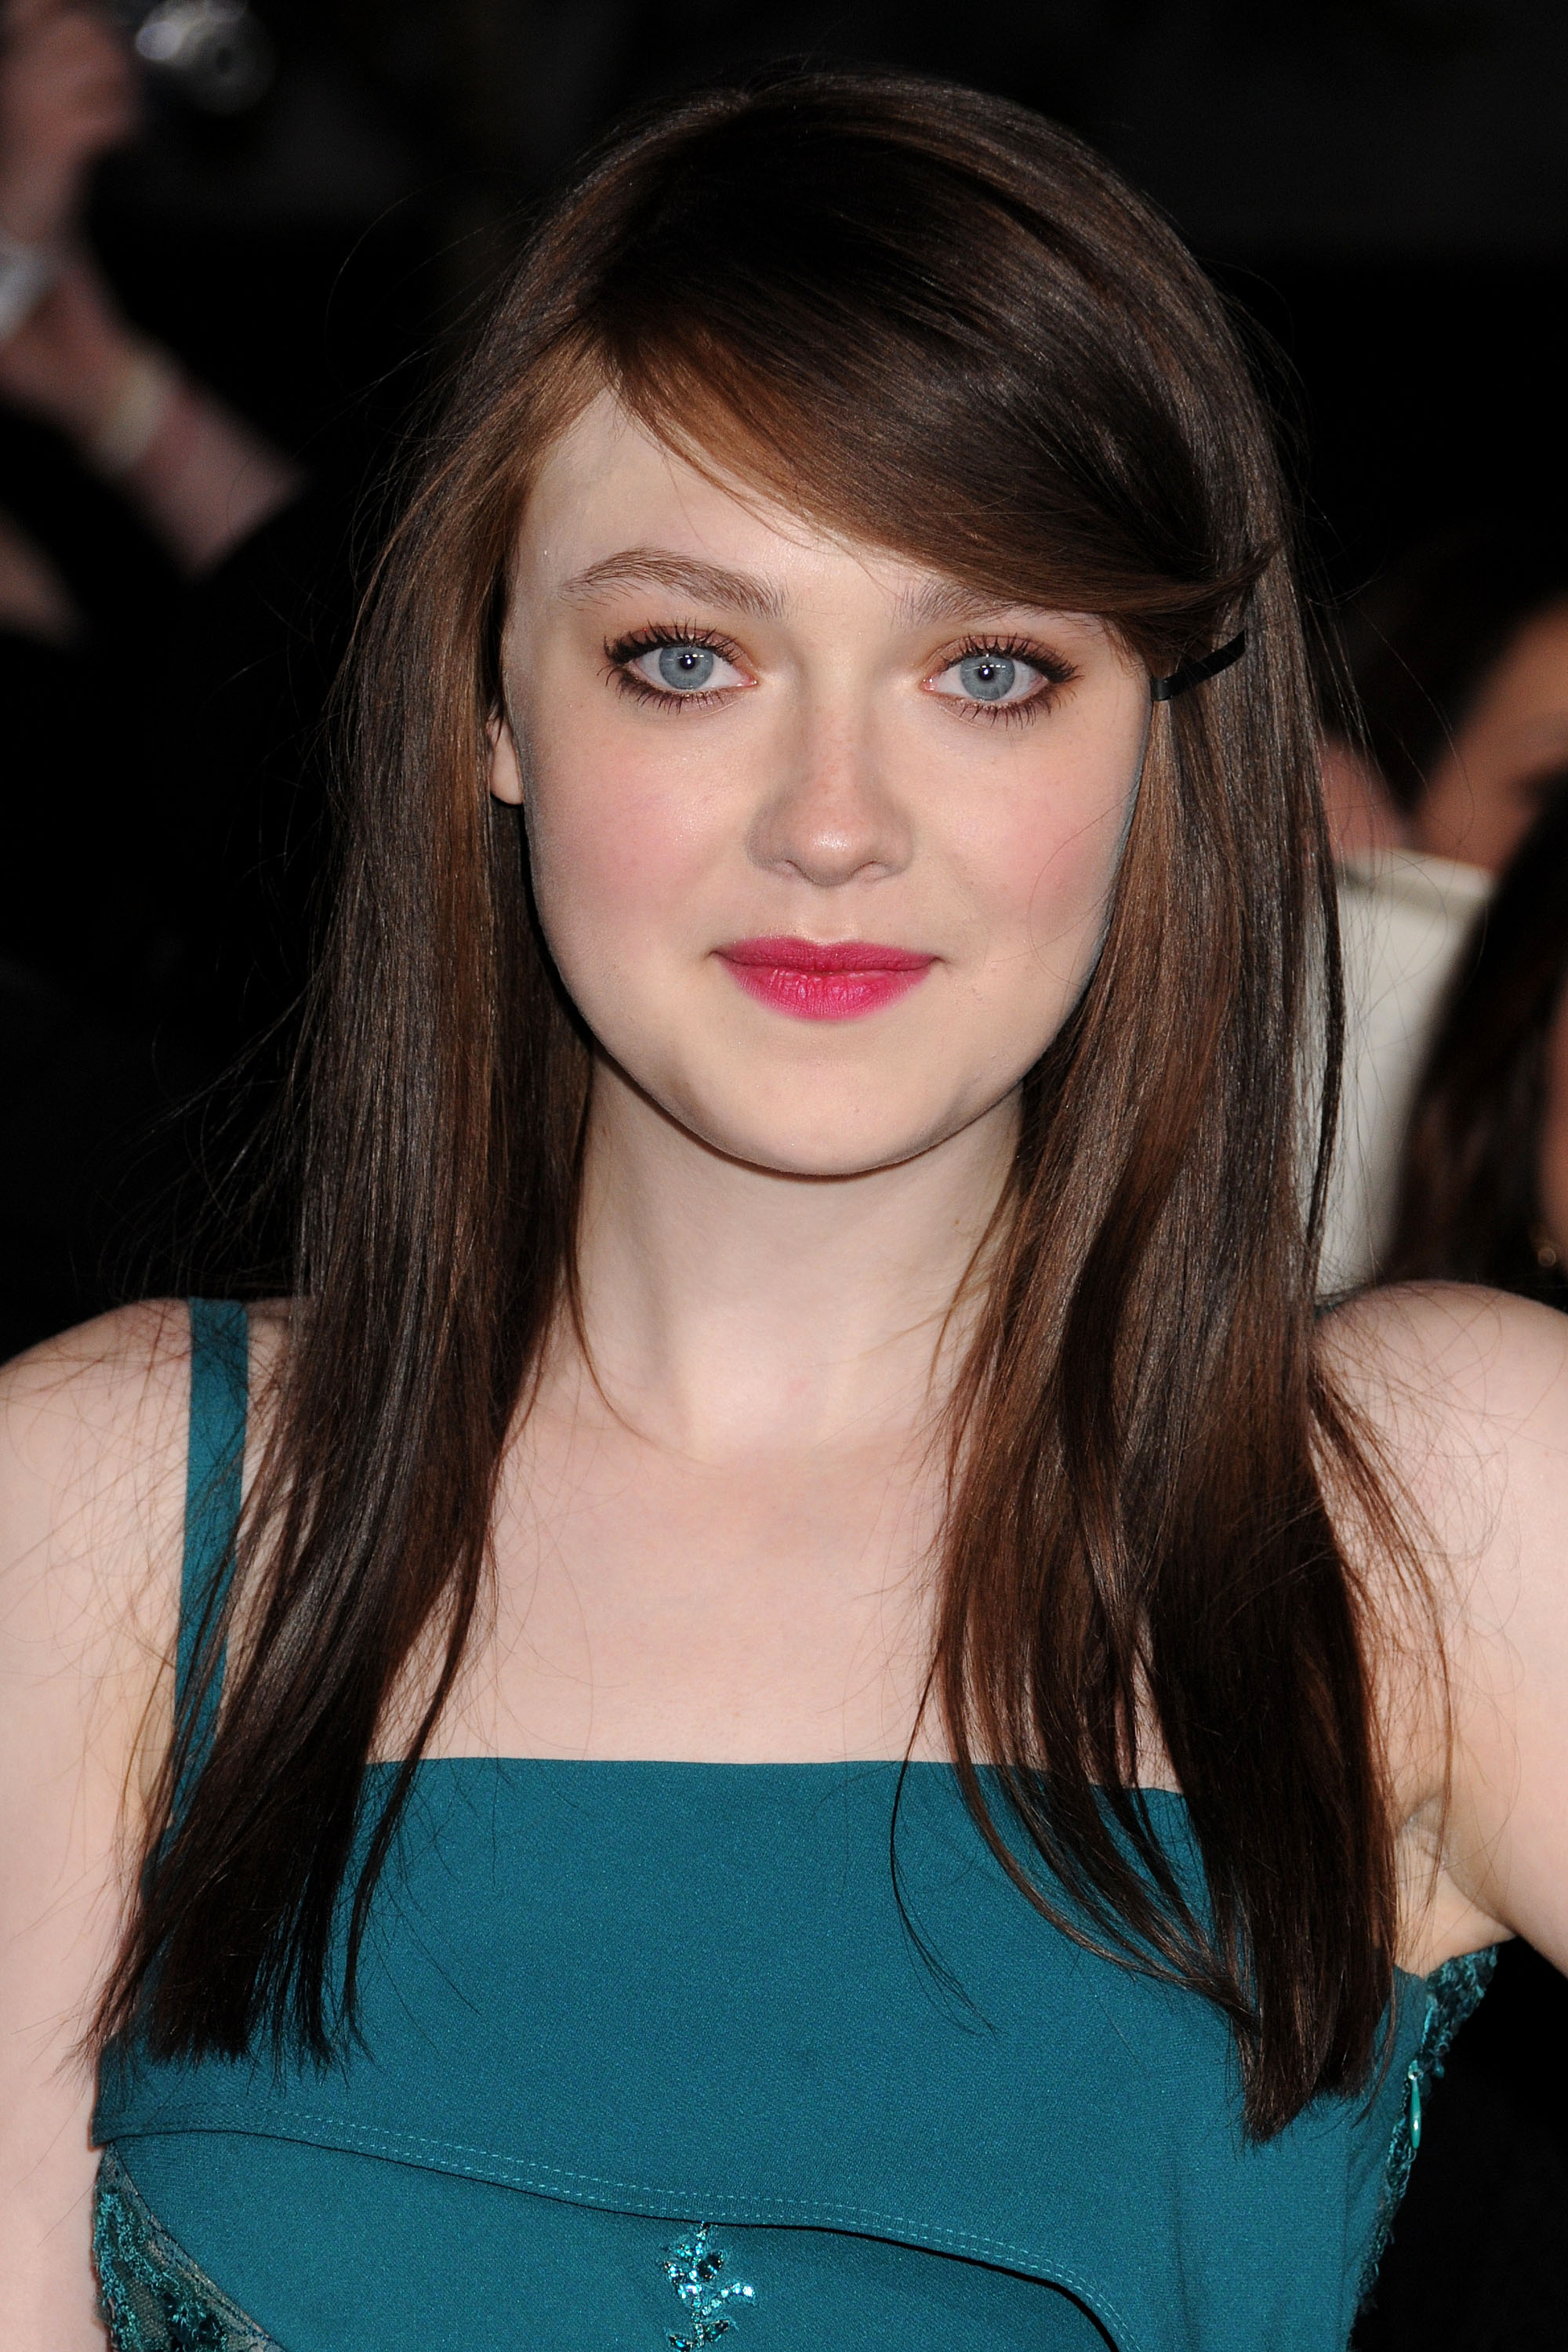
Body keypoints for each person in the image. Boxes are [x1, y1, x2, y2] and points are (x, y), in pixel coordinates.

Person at [4, 71, 1567, 2352]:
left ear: (1160, 733)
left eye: (991, 671)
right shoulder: (109, 1512)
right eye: (689, 657)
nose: (834, 820)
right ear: (494, 705)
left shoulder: (1428, 1511)